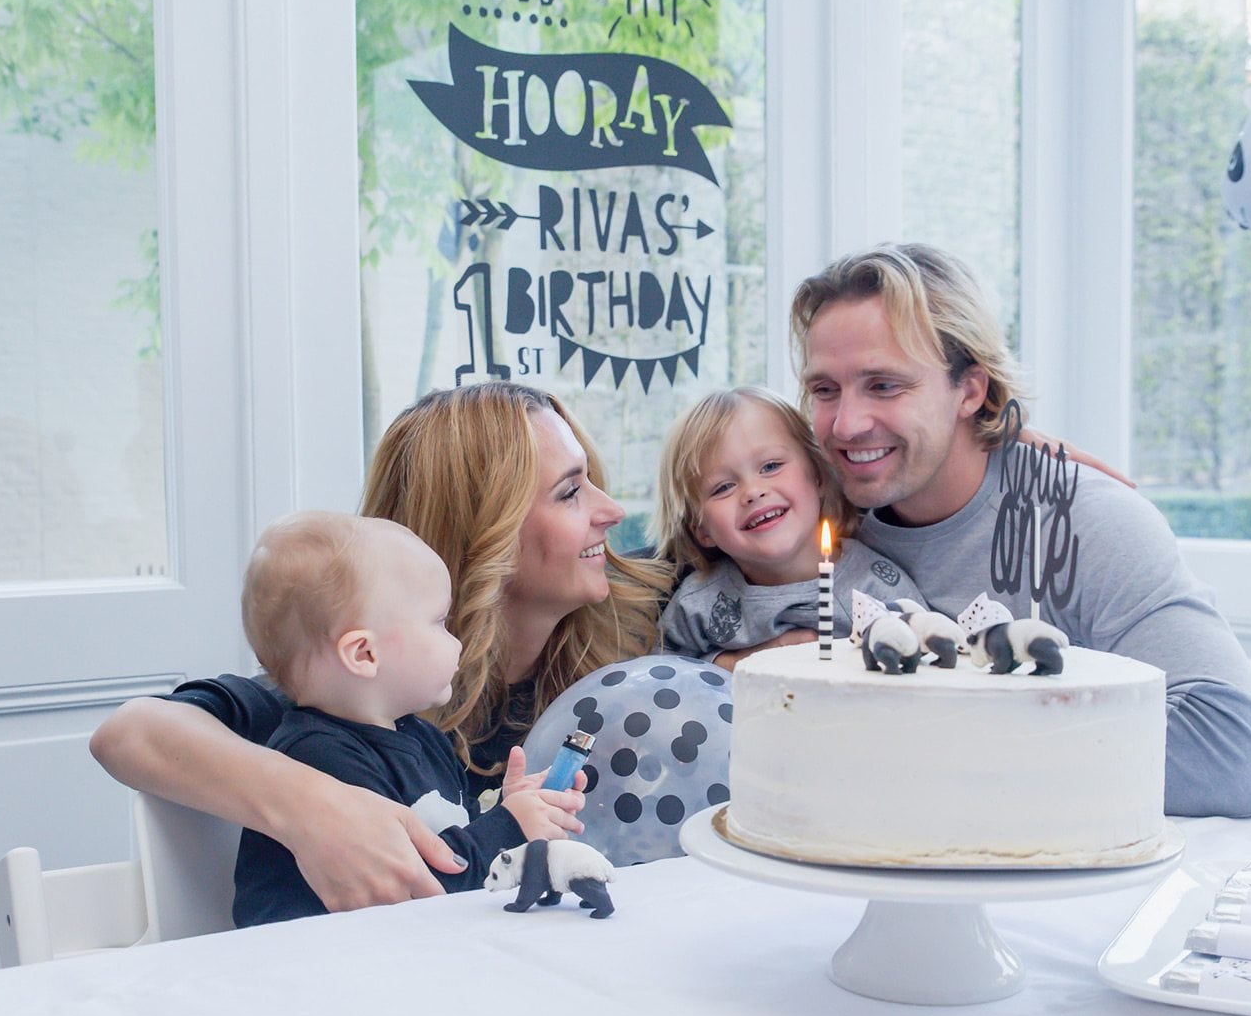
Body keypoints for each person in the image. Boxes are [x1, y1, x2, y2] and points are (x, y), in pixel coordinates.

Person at [90, 382, 669, 911]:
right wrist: (312, 806)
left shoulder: (645, 641)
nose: (613, 511)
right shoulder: (351, 699)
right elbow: (129, 733)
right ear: (484, 529)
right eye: (570, 492)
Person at [780, 242, 1251, 817]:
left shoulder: (1085, 521)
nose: (846, 424)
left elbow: (1231, 754)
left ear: (971, 389)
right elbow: (664, 595)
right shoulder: (805, 515)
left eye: (885, 385)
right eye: (824, 390)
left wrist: (921, 734)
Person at [231, 512, 582, 926]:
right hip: (312, 974)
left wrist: (509, 809)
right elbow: (416, 886)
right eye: (440, 622)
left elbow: (455, 845)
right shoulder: (320, 760)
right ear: (364, 654)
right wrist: (509, 826)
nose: (457, 641)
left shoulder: (424, 739)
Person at [655, 385, 921, 660]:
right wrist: (729, 664)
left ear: (817, 474)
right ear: (701, 529)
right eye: (722, 487)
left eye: (770, 466)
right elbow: (661, 680)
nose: (753, 492)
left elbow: (922, 668)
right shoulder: (697, 604)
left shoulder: (875, 586)